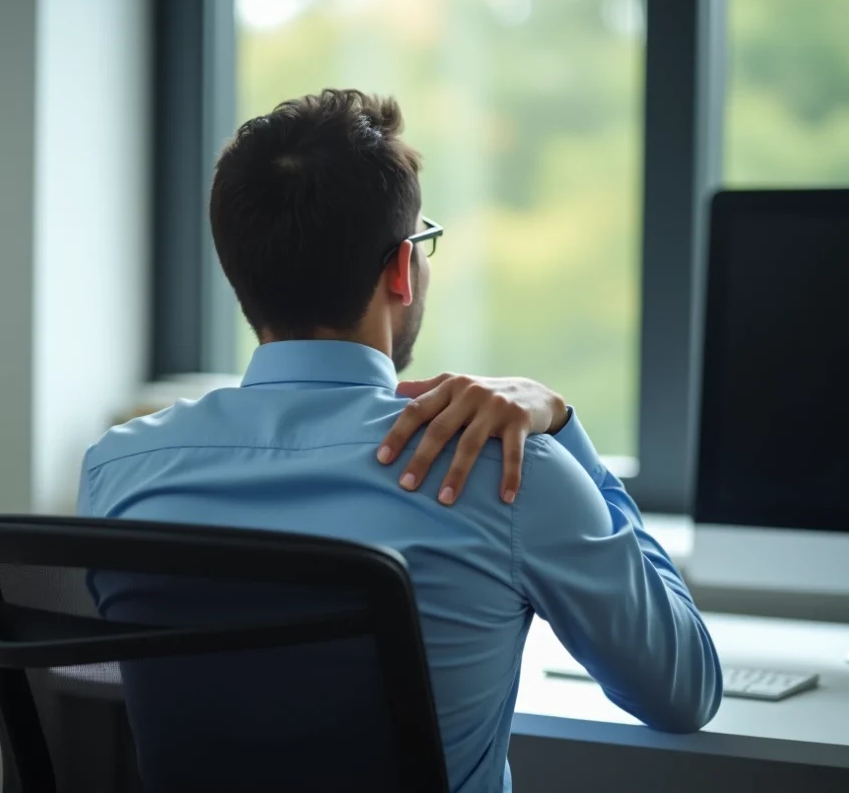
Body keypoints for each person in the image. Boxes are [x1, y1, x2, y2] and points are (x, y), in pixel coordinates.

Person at [78, 89, 722, 793]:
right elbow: (682, 692)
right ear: (399, 269)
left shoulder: (118, 471)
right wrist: (564, 428)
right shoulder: (506, 470)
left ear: (241, 274)